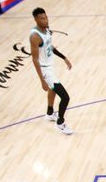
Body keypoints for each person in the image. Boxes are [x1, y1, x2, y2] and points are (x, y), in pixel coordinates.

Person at [29, 7, 74, 135]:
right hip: (45, 71)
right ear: (36, 20)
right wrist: (42, 80)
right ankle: (60, 123)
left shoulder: (47, 30)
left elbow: (50, 47)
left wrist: (64, 58)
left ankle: (49, 113)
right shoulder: (35, 36)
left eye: (46, 17)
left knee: (52, 90)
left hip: (50, 66)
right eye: (42, 18)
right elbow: (35, 59)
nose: (46, 20)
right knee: (65, 97)